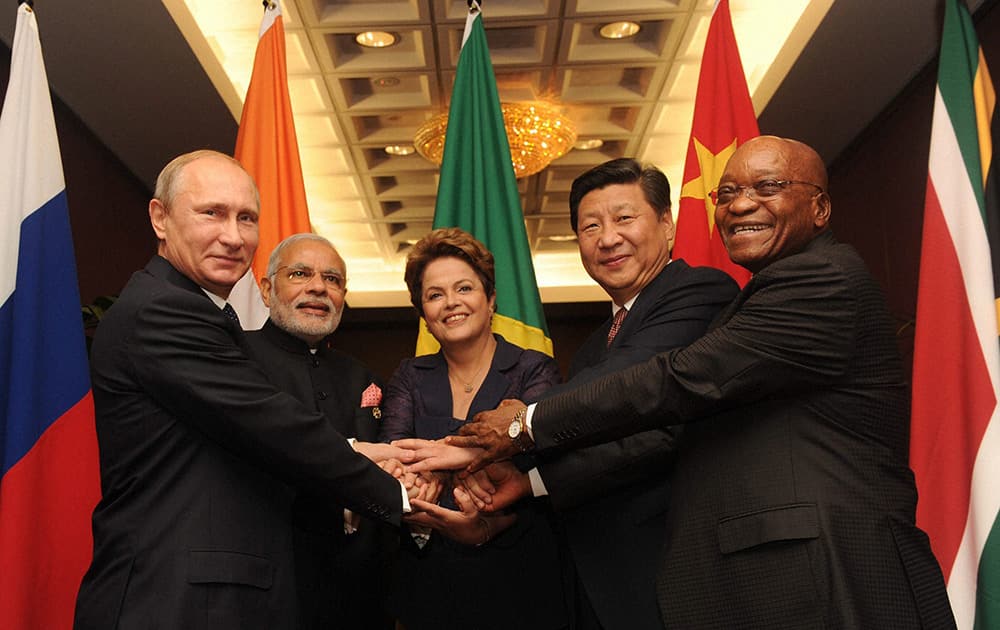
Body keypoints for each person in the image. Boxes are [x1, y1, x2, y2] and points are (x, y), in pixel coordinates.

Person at [456, 137, 956, 628]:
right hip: (772, 578)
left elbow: (678, 380)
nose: (740, 205)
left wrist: (528, 421)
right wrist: (530, 481)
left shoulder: (820, 280)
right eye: (727, 193)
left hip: (829, 571)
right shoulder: (759, 299)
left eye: (768, 187)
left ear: (820, 207)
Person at [75, 150, 415, 630]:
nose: (233, 236)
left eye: (247, 218)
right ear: (160, 218)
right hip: (173, 601)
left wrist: (359, 451)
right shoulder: (165, 310)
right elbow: (272, 426)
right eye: (211, 213)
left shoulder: (196, 310)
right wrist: (400, 495)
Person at [378, 227, 567, 630]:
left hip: (521, 579)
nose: (451, 303)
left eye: (464, 288)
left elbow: (542, 456)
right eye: (434, 295)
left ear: (491, 299)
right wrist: (472, 464)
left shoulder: (533, 368)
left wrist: (439, 465)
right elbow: (395, 456)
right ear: (424, 317)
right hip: (426, 586)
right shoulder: (409, 376)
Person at [243, 233, 396, 630]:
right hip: (268, 589)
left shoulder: (362, 375)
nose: (318, 287)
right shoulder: (235, 359)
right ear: (266, 289)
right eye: (300, 274)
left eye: (332, 279)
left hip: (359, 597)